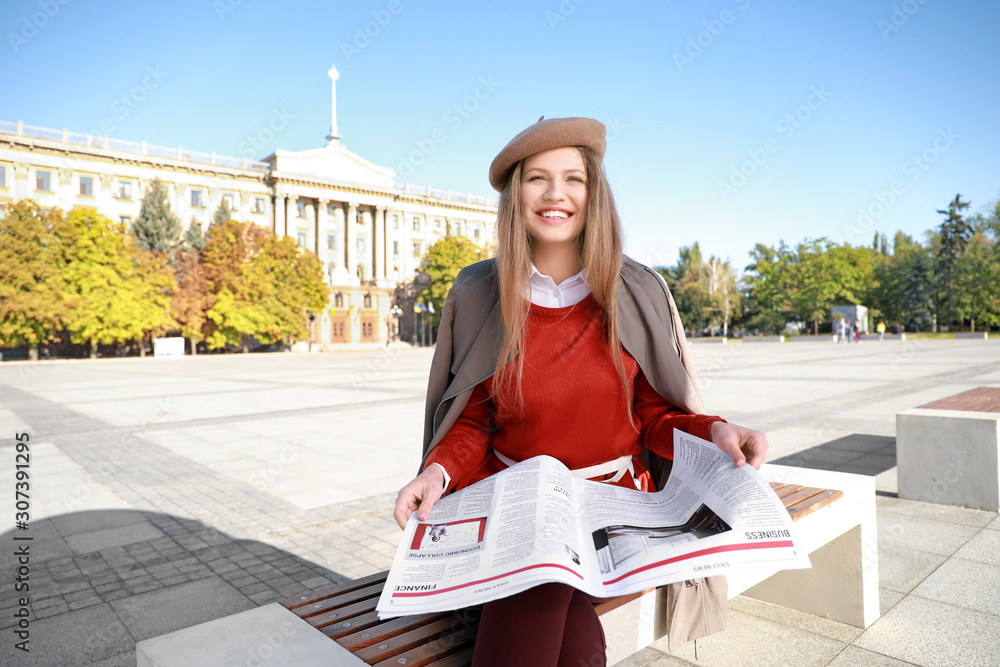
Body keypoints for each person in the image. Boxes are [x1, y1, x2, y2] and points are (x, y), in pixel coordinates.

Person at [393, 117, 770, 667]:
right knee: (559, 616)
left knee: (538, 587)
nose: (555, 195)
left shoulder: (637, 290)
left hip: (612, 513)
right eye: (536, 179)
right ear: (514, 195)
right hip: (513, 506)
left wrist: (714, 431)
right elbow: (472, 421)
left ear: (594, 194)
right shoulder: (479, 293)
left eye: (573, 179)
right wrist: (436, 472)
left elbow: (656, 417)